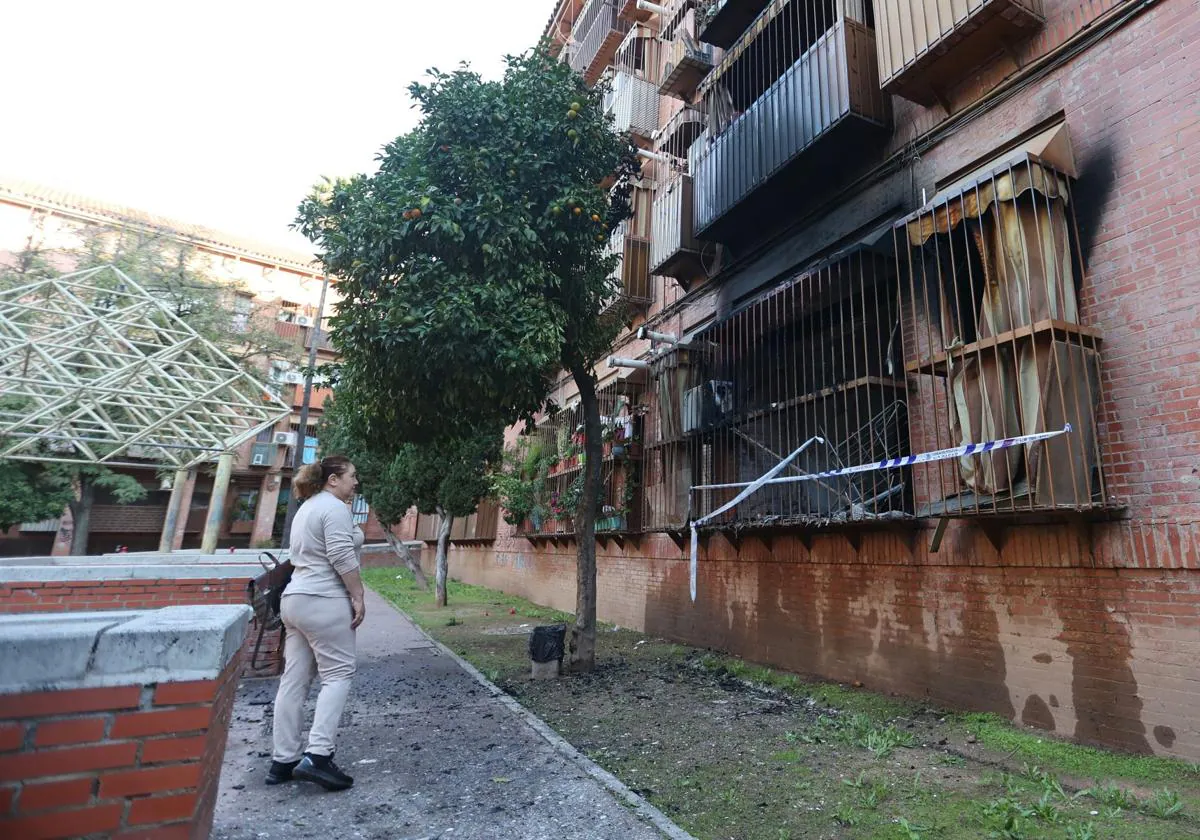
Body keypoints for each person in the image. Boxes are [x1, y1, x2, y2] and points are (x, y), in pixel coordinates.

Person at [265, 455, 365, 792]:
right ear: (333, 479)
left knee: (294, 680)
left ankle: (283, 761)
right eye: (352, 475)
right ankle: (318, 756)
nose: (356, 482)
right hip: (324, 599)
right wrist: (358, 595)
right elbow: (341, 555)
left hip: (295, 600)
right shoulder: (333, 508)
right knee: (338, 675)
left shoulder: (307, 507)